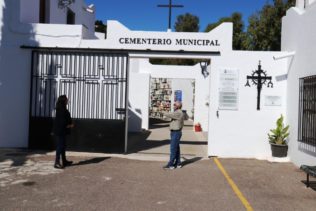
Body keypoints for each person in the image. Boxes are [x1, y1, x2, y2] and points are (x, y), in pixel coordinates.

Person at [162, 101, 188, 170]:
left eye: (174, 105)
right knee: (176, 149)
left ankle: (171, 165)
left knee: (173, 149)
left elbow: (170, 115)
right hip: (175, 132)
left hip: (176, 132)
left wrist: (162, 111)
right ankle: (178, 163)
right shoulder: (177, 112)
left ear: (178, 106)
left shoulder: (178, 112)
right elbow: (170, 117)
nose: (173, 106)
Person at [53, 95, 74, 169]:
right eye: (66, 99)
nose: (67, 100)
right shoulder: (61, 110)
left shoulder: (61, 109)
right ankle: (57, 162)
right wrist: (69, 125)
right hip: (61, 131)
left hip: (62, 131)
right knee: (60, 146)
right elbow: (62, 122)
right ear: (63, 101)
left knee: (63, 146)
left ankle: (64, 161)